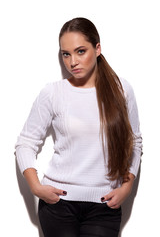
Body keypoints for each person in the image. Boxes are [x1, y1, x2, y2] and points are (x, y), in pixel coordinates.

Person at [15, 17, 142, 237]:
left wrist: (127, 186)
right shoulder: (53, 93)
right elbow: (26, 142)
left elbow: (134, 141)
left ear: (98, 48)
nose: (73, 61)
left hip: (104, 206)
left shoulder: (122, 90)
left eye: (80, 51)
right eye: (66, 54)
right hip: (58, 204)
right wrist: (36, 187)